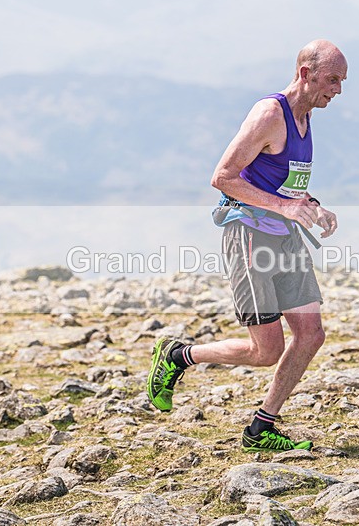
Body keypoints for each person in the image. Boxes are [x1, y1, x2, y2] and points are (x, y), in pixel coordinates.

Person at [146, 39, 347, 452]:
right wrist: (284, 208)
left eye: (343, 82)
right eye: (332, 79)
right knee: (265, 350)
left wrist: (312, 207)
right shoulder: (269, 114)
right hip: (249, 237)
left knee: (311, 334)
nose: (339, 90)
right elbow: (222, 177)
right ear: (305, 73)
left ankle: (261, 428)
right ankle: (179, 356)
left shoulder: (306, 118)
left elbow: (282, 185)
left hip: (286, 238)